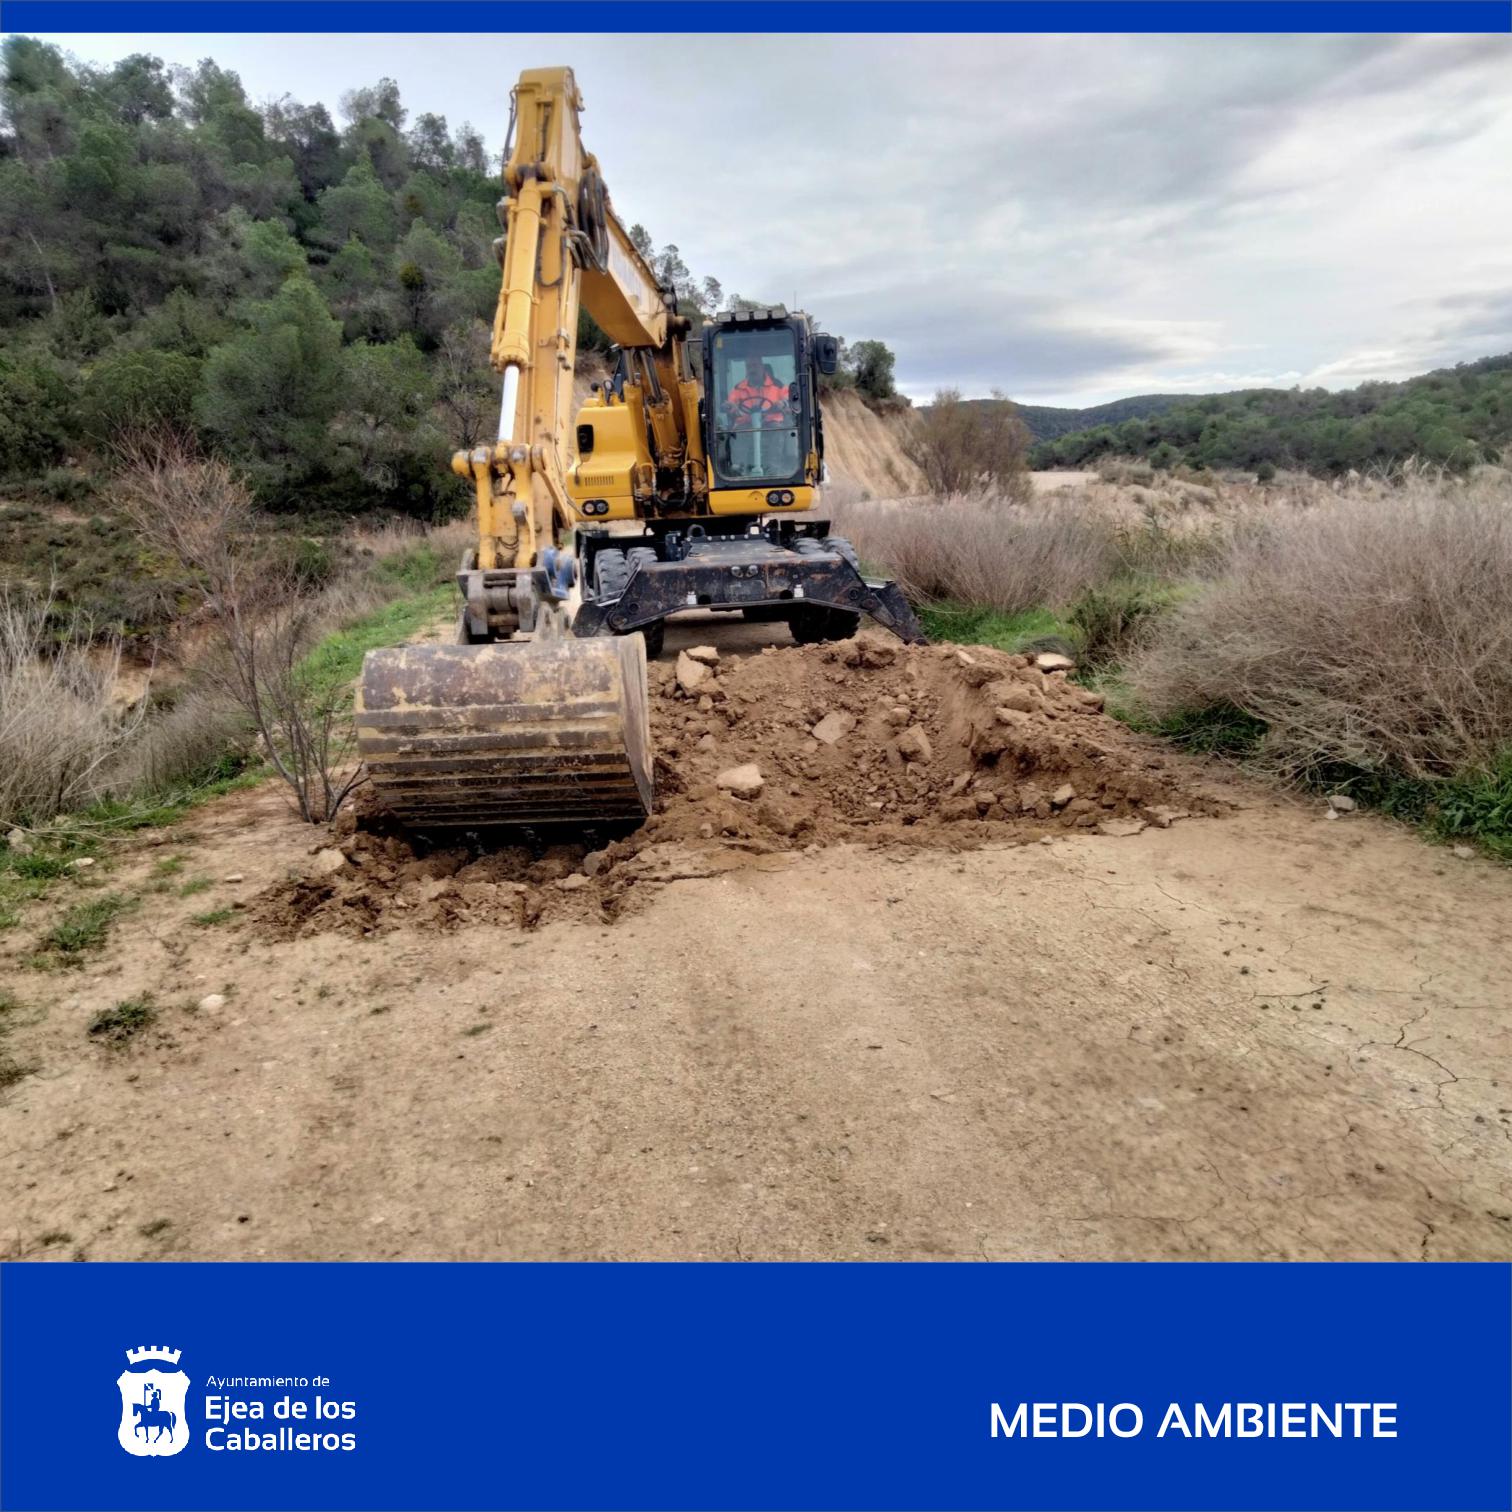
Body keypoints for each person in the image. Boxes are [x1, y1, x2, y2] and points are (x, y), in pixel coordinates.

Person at [725, 356, 789, 428]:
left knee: (777, 428)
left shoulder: (778, 386)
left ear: (762, 367)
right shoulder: (738, 389)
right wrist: (731, 407)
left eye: (755, 365)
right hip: (746, 427)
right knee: (739, 431)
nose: (752, 369)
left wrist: (783, 403)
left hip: (772, 425)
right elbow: (730, 404)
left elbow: (790, 401)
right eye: (748, 367)